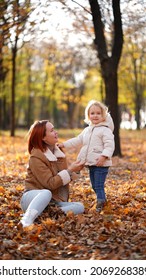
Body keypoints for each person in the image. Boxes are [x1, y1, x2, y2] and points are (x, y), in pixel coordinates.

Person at [20, 120, 84, 228]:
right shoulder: (36, 157)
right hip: (32, 198)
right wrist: (69, 171)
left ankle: (44, 215)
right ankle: (26, 220)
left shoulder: (59, 153)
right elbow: (50, 184)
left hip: (52, 202)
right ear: (43, 137)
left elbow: (62, 178)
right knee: (46, 193)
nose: (56, 132)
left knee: (79, 207)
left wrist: (75, 169)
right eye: (52, 130)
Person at [59, 100, 115, 212]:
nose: (95, 116)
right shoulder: (87, 130)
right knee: (94, 185)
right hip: (91, 163)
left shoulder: (105, 130)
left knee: (98, 185)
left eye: (98, 113)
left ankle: (101, 203)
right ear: (88, 116)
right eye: (92, 113)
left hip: (101, 163)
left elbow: (110, 145)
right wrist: (64, 144)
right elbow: (77, 140)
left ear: (103, 115)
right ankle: (101, 200)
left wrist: (104, 156)